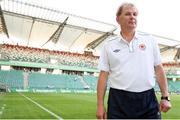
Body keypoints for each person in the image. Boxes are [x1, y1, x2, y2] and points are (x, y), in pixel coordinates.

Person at [96, 2, 171, 119]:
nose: (132, 17)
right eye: (127, 14)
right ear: (118, 19)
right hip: (118, 101)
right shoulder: (108, 45)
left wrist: (165, 97)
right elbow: (103, 75)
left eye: (135, 14)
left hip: (147, 100)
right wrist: (100, 105)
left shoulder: (150, 40)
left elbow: (159, 69)